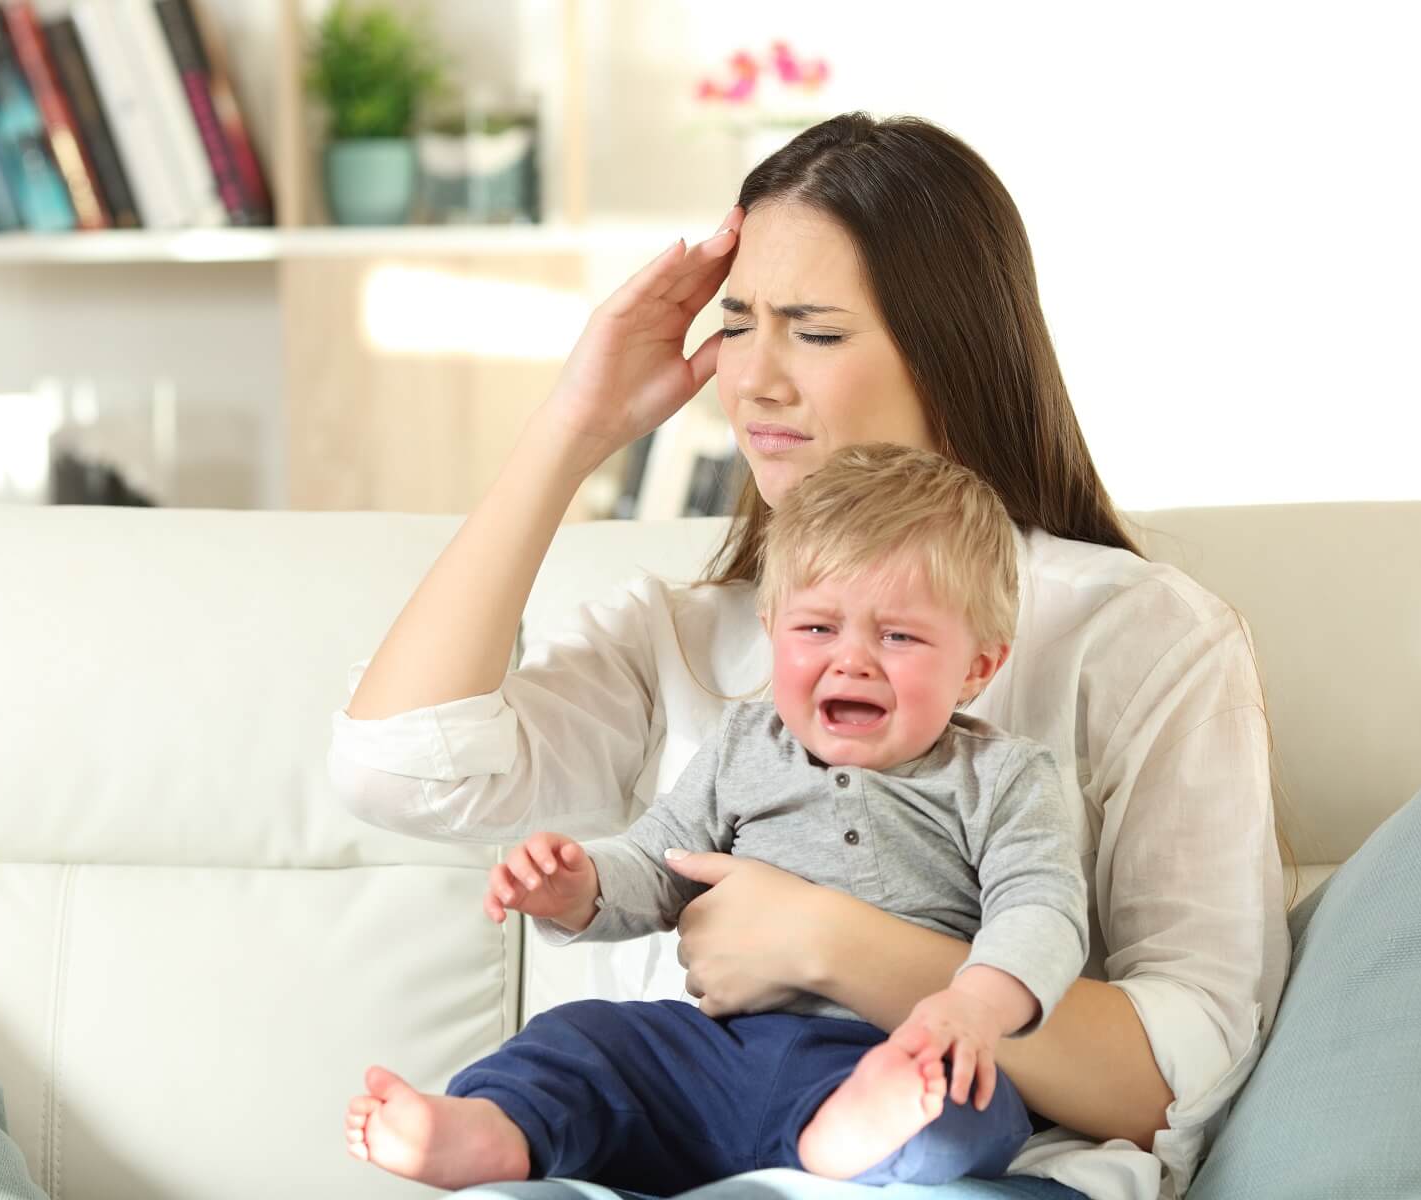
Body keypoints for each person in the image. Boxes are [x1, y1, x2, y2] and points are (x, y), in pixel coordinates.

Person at [330, 112, 1288, 1200]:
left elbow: (1182, 1072)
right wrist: (571, 428)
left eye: (816, 333)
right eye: (737, 325)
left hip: (965, 1171)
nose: (755, 381)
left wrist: (830, 941)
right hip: (670, 1152)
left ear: (951, 350)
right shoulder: (681, 635)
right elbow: (395, 770)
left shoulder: (1138, 631)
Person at [344, 444, 1089, 1192]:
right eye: (817, 629)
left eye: (898, 636)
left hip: (881, 1049)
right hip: (713, 1052)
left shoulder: (1002, 776)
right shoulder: (742, 745)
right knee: (584, 1039)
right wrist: (580, 886)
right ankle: (491, 1129)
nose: (852, 660)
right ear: (772, 628)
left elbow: (1042, 910)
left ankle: (848, 1138)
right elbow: (662, 861)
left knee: (971, 1107)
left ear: (978, 667)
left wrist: (974, 1006)